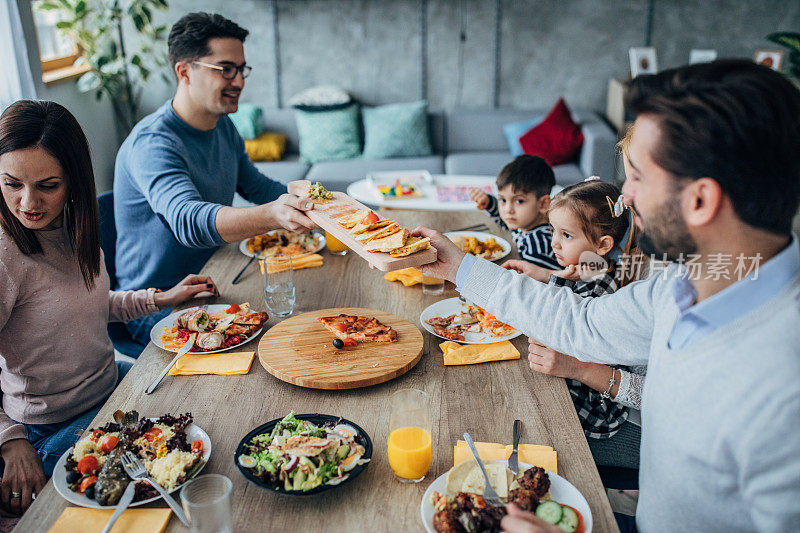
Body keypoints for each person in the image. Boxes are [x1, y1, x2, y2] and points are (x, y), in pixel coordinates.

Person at [417, 59, 800, 532]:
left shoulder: (784, 389)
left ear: (699, 201)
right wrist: (459, 266)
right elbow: (582, 323)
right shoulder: (680, 285)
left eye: (637, 176)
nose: (626, 198)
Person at [0, 100, 218, 515]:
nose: (28, 202)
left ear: (74, 182)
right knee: (157, 487)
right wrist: (10, 440)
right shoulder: (4, 255)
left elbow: (89, 305)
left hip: (111, 387)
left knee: (204, 410)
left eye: (48, 185)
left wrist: (163, 297)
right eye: (11, 183)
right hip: (49, 428)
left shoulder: (73, 224)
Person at [114, 12, 316, 353]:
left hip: (217, 278)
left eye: (241, 69)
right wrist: (274, 214)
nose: (238, 80)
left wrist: (319, 206)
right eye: (225, 69)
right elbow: (188, 221)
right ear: (184, 72)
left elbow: (257, 187)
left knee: (304, 326)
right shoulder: (154, 144)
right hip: (159, 304)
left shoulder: (221, 125)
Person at [522, 178, 646, 473]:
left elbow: (554, 324)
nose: (553, 242)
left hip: (594, 412)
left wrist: (556, 282)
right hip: (572, 384)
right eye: (554, 231)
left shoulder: (603, 292)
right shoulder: (592, 271)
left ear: (603, 245)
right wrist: (556, 276)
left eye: (566, 235)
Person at [469, 155, 560, 270]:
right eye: (503, 200)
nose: (508, 209)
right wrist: (488, 202)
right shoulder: (525, 222)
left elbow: (536, 285)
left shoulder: (537, 244)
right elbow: (503, 220)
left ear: (543, 204)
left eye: (519, 201)